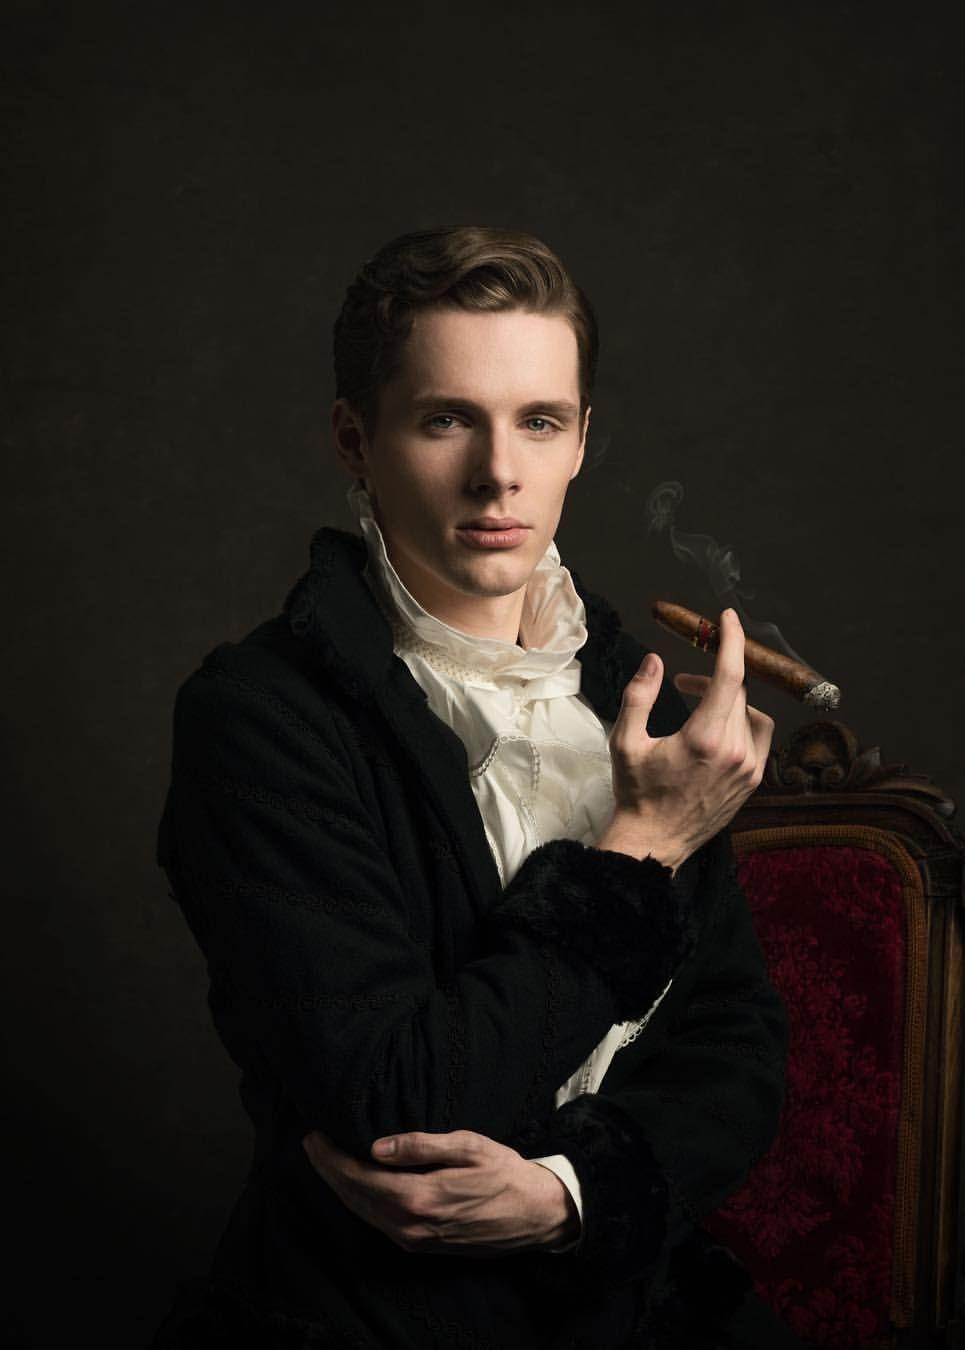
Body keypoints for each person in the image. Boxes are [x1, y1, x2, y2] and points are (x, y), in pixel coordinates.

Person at [151, 225, 800, 1349]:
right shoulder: (260, 716)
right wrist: (643, 848)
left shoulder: (630, 692)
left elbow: (736, 1049)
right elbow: (403, 1102)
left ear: (582, 439)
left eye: (539, 421)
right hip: (380, 1321)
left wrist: (567, 1197)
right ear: (355, 440)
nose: (499, 472)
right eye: (447, 419)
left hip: (633, 1305)